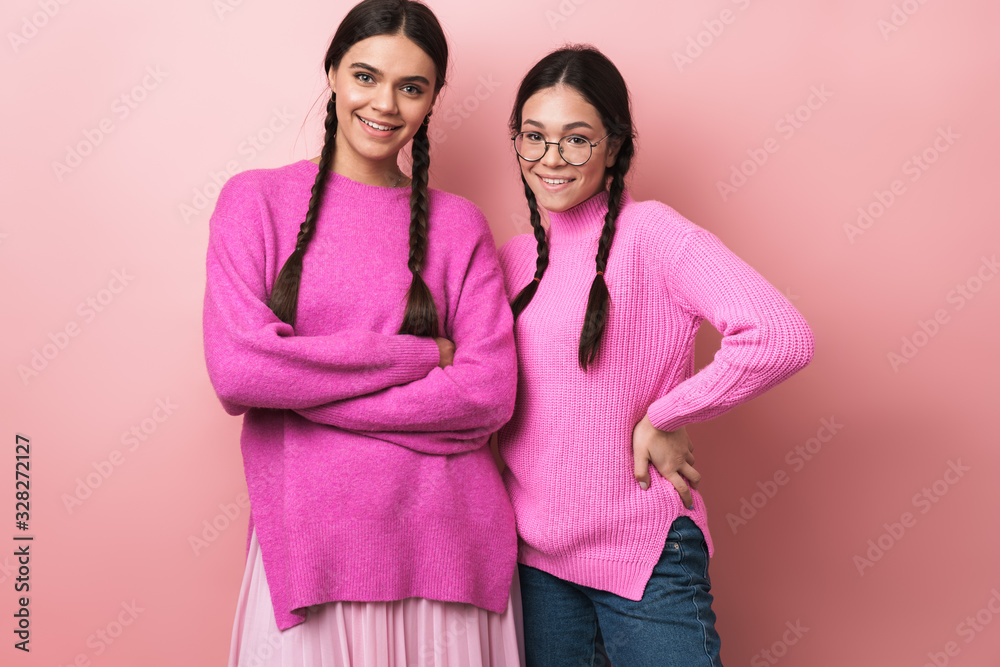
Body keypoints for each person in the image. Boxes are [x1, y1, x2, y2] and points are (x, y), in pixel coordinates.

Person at [202, 1, 524, 664]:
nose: (386, 103)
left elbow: (488, 395)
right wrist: (419, 355)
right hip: (310, 551)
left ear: (433, 99)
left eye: (412, 87)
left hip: (450, 552)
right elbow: (239, 370)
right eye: (366, 76)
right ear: (333, 73)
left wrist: (302, 392)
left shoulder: (459, 225)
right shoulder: (255, 202)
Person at [494, 45, 815, 667]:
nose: (550, 159)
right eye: (533, 137)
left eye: (577, 139)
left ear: (614, 145)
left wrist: (665, 415)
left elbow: (781, 334)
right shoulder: (511, 260)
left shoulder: (655, 236)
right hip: (538, 565)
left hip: (643, 553)